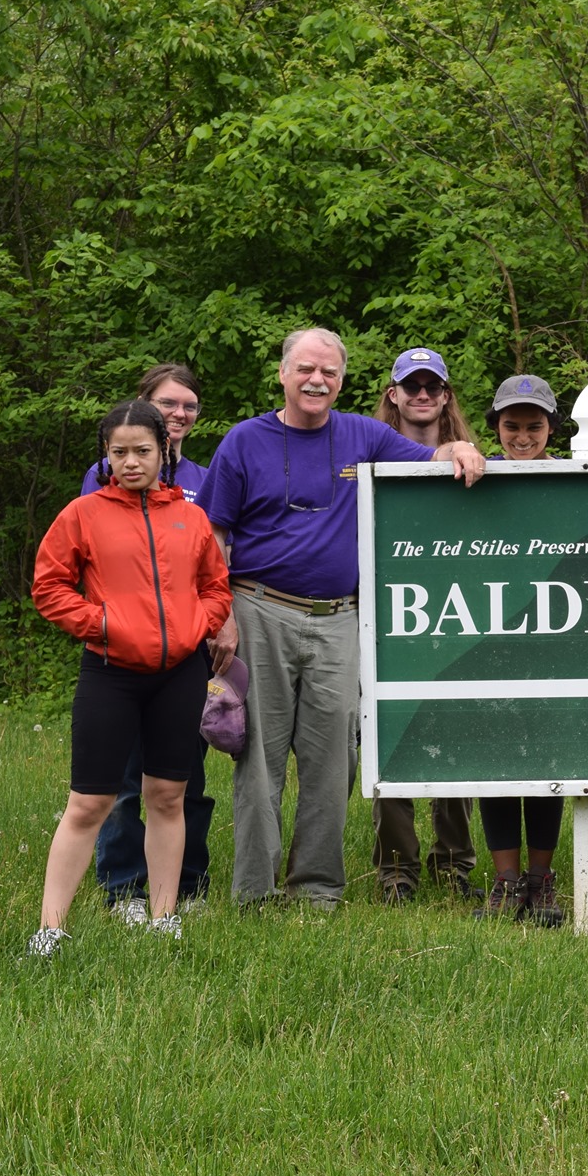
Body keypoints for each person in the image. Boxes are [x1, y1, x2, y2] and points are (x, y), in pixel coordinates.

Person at [201, 328, 486, 909]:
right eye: (306, 369)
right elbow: (211, 535)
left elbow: (429, 456)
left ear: (342, 381)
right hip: (258, 610)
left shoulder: (364, 434)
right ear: (282, 374)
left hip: (339, 622)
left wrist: (459, 449)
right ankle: (255, 893)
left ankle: (317, 892)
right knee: (258, 759)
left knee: (335, 762)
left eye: (330, 373)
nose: (317, 381)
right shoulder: (243, 441)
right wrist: (219, 615)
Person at [26, 400, 231, 956]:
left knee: (169, 795)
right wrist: (101, 623)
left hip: (179, 674)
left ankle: (165, 918)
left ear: (164, 451)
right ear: (106, 456)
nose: (131, 462)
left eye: (142, 451)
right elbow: (49, 587)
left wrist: (199, 626)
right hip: (111, 672)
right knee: (88, 802)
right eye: (119, 453)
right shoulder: (83, 513)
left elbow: (216, 586)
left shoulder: (191, 517)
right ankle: (50, 930)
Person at [77, 364, 219, 919]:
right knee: (126, 778)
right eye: (167, 403)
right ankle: (124, 887)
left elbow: (214, 561)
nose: (178, 413)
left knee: (186, 775)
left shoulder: (206, 480)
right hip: (124, 655)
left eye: (189, 405)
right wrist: (107, 625)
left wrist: (207, 623)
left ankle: (187, 886)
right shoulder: (105, 476)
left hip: (187, 653)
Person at [367, 347, 481, 903]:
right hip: (385, 614)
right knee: (392, 736)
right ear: (393, 394)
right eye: (409, 386)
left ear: (445, 395)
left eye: (431, 386)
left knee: (453, 735)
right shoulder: (366, 457)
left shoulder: (472, 460)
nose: (420, 395)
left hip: (454, 610)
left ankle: (455, 865)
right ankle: (396, 871)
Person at [475, 373, 567, 926]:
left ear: (552, 429)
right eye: (512, 426)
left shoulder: (571, 479)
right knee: (496, 755)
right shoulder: (476, 478)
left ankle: (541, 881)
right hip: (491, 635)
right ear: (497, 428)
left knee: (549, 757)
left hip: (555, 635)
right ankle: (505, 881)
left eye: (534, 426)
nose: (523, 436)